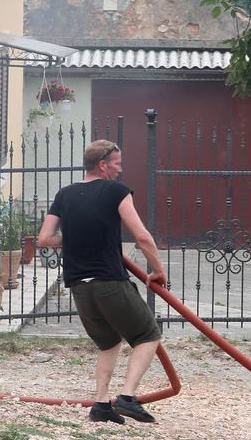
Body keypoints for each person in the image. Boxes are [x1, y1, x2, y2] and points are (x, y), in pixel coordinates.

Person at [37, 140, 166, 425]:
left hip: (79, 286)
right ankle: (128, 398)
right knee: (148, 335)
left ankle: (101, 405)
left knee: (108, 342)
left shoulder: (65, 194)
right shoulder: (115, 192)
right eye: (117, 164)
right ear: (102, 164)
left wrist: (78, 235)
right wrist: (157, 269)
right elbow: (143, 237)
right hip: (108, 280)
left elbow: (44, 239)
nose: (120, 170)